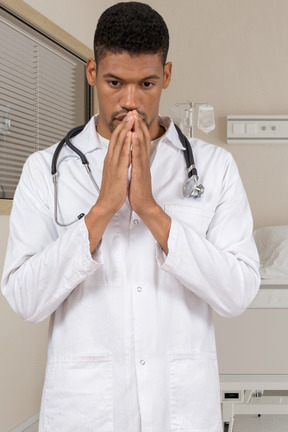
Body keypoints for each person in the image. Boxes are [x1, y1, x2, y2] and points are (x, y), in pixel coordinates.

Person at [1, 2, 260, 431]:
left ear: (168, 76)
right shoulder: (45, 170)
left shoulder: (215, 168)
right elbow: (26, 300)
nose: (130, 102)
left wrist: (152, 212)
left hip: (180, 412)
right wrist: (102, 209)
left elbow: (237, 293)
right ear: (91, 73)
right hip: (87, 413)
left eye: (147, 84)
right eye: (114, 82)